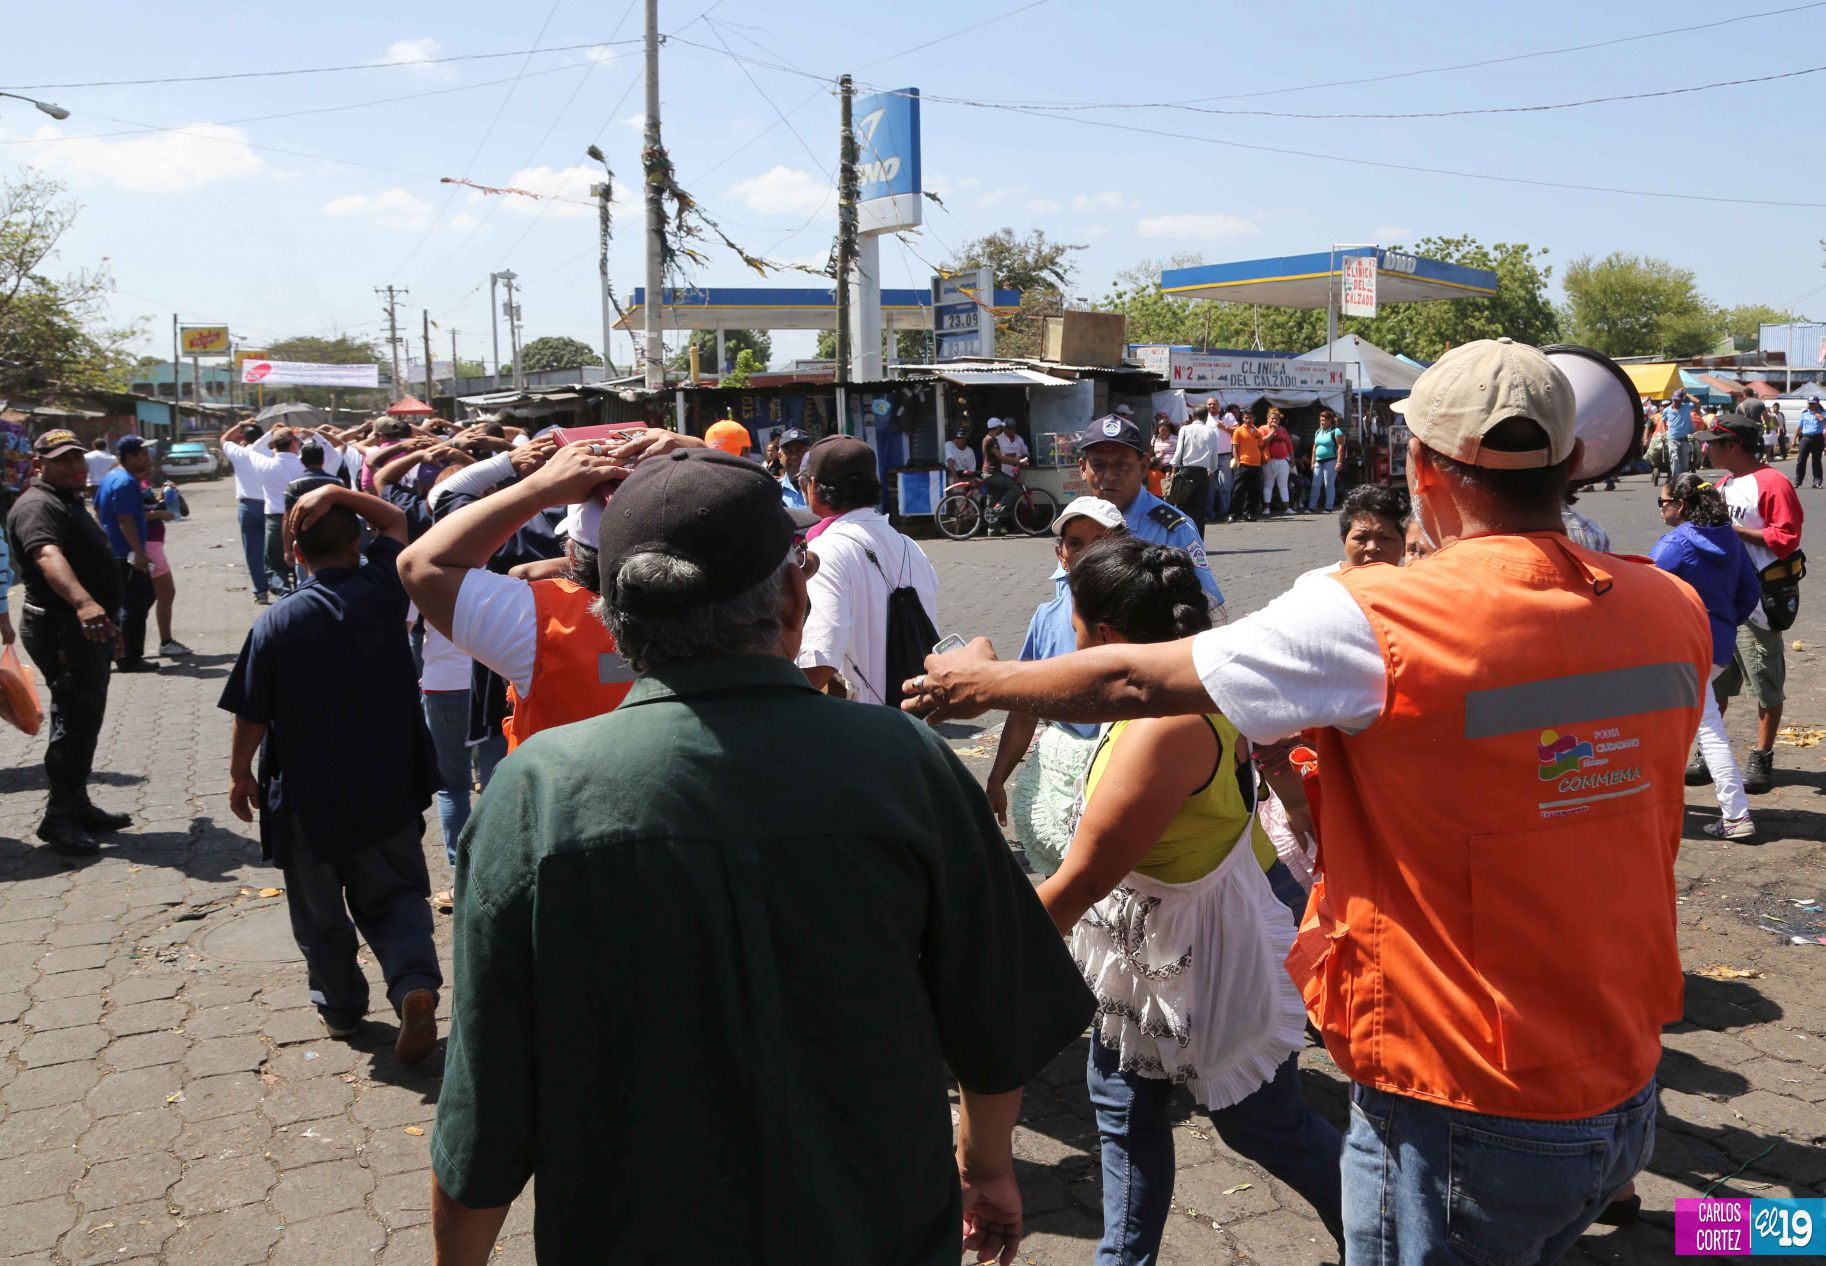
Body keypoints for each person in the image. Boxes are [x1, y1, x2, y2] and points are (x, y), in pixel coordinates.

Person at [905, 338, 1713, 1264]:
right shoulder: (1670, 606)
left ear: (1414, 467)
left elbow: (1136, 685)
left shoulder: (1380, 616)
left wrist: (980, 681)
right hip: (1621, 1077)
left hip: (1463, 1097)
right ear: (1573, 465)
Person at [429, 447, 1093, 1266]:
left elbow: (486, 1104)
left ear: (614, 617)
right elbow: (995, 1016)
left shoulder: (535, 791)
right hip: (877, 1227)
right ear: (790, 599)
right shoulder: (904, 760)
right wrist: (987, 1165)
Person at [1043, 535, 1342, 1259]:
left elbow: (1079, 883)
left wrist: (963, 960)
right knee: (1124, 1108)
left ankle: (1386, 1229)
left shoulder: (1166, 726)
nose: (1069, 640)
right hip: (1152, 945)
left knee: (1259, 1121)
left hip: (1208, 947)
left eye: (1074, 625)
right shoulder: (1199, 679)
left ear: (1109, 637)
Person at [218, 482, 442, 1061]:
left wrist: (240, 773)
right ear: (356, 546)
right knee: (395, 894)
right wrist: (340, 490)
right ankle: (413, 983)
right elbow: (396, 520)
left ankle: (342, 1011)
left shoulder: (276, 623)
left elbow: (252, 712)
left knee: (321, 916)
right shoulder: (383, 589)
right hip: (387, 785)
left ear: (294, 554)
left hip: (306, 801)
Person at [399, 442, 635, 751]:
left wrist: (539, 487)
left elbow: (418, 564)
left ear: (572, 552)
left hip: (558, 790)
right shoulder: (710, 603)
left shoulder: (539, 622)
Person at [4, 429, 131, 854]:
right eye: (63, 460)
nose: (75, 466)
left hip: (83, 628)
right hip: (62, 627)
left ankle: (76, 805)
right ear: (39, 464)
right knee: (74, 719)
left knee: (84, 716)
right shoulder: (38, 506)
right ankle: (58, 819)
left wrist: (105, 621)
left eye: (78, 458)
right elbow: (46, 556)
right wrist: (83, 604)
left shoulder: (66, 498)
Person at [984, 497, 1123, 877]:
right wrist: (998, 777)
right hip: (1062, 784)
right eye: (1076, 542)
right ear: (1060, 554)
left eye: (1101, 540)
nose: (1088, 552)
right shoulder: (1046, 619)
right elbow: (1025, 707)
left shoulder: (1143, 616)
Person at [1696, 413, 1804, 795]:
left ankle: (1761, 756)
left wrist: (1735, 529)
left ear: (1734, 446)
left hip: (1760, 599)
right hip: (1723, 601)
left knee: (1765, 682)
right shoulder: (1723, 484)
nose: (1706, 448)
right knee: (1717, 682)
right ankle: (1709, 754)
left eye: (1713, 442)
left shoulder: (1772, 482)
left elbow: (1786, 537)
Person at [1651, 473, 1761, 840]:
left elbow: (1646, 592)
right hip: (1717, 648)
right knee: (1695, 725)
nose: (1661, 509)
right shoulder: (1731, 539)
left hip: (1681, 649)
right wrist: (1725, 624)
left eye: (1663, 502)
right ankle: (1728, 813)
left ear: (1681, 506)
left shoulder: (1676, 543)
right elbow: (1749, 591)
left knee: (1700, 730)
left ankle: (1734, 815)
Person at [797, 435, 940, 704]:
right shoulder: (910, 547)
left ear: (813, 486)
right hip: (912, 718)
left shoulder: (823, 553)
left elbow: (820, 659)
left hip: (857, 726)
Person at [1075, 414, 1225, 610]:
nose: (1110, 476)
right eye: (1098, 465)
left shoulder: (1174, 529)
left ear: (1144, 466)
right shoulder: (1075, 525)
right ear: (1082, 468)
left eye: (1122, 465)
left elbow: (1206, 599)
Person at [94, 436, 159, 673]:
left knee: (135, 600)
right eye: (143, 454)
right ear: (130, 457)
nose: (147, 458)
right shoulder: (125, 482)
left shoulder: (112, 477)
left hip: (117, 552)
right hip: (125, 555)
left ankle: (116, 648)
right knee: (136, 604)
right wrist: (138, 553)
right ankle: (129, 657)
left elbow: (98, 508)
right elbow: (125, 520)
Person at [220, 420, 273, 603]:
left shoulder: (239, 453)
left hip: (248, 507)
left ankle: (261, 591)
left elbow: (224, 439)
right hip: (270, 507)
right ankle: (277, 582)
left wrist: (239, 424)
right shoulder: (271, 454)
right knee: (272, 549)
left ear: (244, 437)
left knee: (253, 551)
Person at [139, 472, 190, 658]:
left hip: (153, 543)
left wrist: (162, 497)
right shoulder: (128, 484)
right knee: (165, 592)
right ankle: (165, 642)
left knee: (152, 595)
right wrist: (159, 513)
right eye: (144, 456)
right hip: (148, 545)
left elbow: (146, 507)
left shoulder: (141, 482)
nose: (149, 463)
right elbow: (131, 516)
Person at [1166, 406, 1221, 537]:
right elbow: (1214, 458)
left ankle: (1183, 541)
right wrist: (1211, 471)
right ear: (1206, 417)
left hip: (1186, 472)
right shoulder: (1212, 432)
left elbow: (1178, 454)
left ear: (1192, 416)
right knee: (1199, 512)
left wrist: (1174, 471)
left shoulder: (1185, 429)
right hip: (1202, 474)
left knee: (1183, 509)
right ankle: (1198, 543)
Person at [981, 418, 1027, 535]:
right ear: (996, 428)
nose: (1001, 429)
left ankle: (993, 530)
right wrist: (1018, 461)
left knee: (993, 499)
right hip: (992, 473)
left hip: (989, 472)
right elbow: (1001, 457)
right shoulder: (992, 440)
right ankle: (998, 510)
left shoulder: (987, 438)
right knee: (1015, 488)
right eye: (1000, 427)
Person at [1229, 410, 1265, 522]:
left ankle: (1249, 513)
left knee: (1253, 491)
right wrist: (1238, 462)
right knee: (1237, 490)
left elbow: (1261, 446)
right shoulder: (1238, 431)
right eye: (1245, 418)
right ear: (1243, 418)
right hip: (1243, 464)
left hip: (1256, 465)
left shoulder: (1257, 431)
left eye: (1250, 418)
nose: (1248, 420)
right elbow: (1235, 448)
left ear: (1254, 418)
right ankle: (1233, 514)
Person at [1260, 408, 1295, 515]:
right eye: (1272, 418)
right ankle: (1266, 508)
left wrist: (1292, 459)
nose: (1274, 421)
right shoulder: (1263, 428)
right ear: (1268, 419)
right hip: (1269, 460)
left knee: (1283, 485)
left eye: (1277, 419)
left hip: (1283, 460)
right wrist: (1273, 431)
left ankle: (1287, 507)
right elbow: (1263, 441)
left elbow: (1289, 445)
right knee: (1268, 484)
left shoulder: (1283, 429)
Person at [1308, 409, 1344, 511]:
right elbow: (1315, 447)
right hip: (1319, 461)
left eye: (1324, 420)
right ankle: (1312, 506)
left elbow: (1341, 446)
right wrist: (1312, 461)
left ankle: (1329, 506)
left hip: (1331, 460)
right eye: (1320, 420)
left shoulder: (1336, 431)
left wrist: (1339, 462)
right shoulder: (1318, 432)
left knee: (1328, 484)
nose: (1322, 422)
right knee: (1315, 484)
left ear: (1330, 421)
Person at [1209, 399, 1236, 520]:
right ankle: (1210, 513)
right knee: (1210, 486)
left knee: (1225, 485)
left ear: (1218, 405)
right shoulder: (1205, 417)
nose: (1211, 406)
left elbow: (1237, 430)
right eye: (1209, 404)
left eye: (1214, 404)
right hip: (1209, 456)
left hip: (1225, 455)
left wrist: (1224, 427)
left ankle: (1225, 512)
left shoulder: (1227, 415)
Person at [776, 427, 811, 509]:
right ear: (780, 456)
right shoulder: (774, 492)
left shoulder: (820, 489)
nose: (795, 456)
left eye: (801, 451)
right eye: (789, 451)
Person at [1665, 389, 1696, 481]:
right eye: (1674, 400)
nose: (1675, 402)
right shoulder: (1667, 410)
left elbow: (1698, 402)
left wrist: (1688, 395)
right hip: (1672, 439)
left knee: (1685, 463)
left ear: (1681, 400)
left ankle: (1683, 480)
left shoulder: (1686, 407)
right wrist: (1663, 431)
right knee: (1674, 459)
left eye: (1678, 400)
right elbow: (1663, 421)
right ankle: (1675, 480)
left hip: (1684, 439)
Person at [1796, 397, 1825, 487]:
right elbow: (1799, 427)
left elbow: (1821, 419)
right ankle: (1798, 481)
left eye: (1813, 403)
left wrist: (1815, 412)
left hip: (1817, 438)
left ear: (1817, 403)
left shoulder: (1823, 412)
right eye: (1809, 404)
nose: (1811, 405)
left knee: (1816, 460)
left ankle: (1817, 482)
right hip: (1805, 438)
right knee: (1801, 460)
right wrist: (1794, 439)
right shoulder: (1804, 413)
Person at [1146, 417, 1174, 498]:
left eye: (1166, 430)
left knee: (1168, 488)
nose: (1164, 432)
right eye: (1162, 430)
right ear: (1158, 430)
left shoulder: (1175, 439)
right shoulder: (1155, 439)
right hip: (1157, 467)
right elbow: (1151, 451)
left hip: (1169, 468)